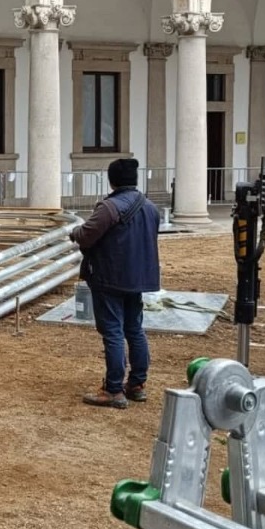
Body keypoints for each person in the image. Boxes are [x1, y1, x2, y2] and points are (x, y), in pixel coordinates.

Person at [69, 157, 161, 409]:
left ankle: (113, 389)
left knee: (113, 332)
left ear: (111, 180)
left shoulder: (109, 207)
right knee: (135, 330)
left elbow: (86, 236)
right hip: (138, 278)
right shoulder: (150, 207)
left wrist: (74, 232)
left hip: (110, 277)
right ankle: (137, 384)